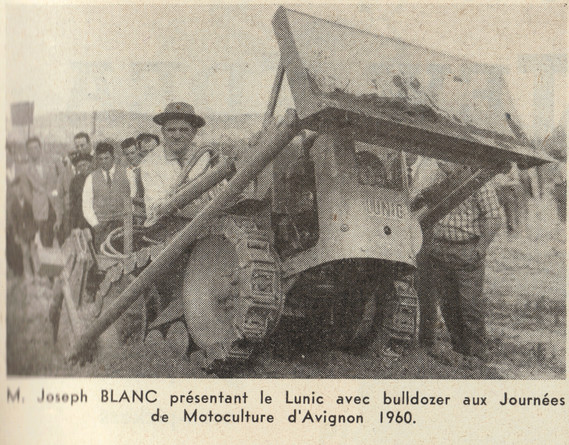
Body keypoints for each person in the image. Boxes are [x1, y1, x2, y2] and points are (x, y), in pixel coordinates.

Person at [413, 161, 502, 362]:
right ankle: (461, 352)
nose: (441, 161)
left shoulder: (477, 179)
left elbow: (493, 217)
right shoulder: (434, 178)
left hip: (466, 250)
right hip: (439, 250)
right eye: (439, 157)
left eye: (447, 157)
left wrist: (480, 249)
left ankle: (477, 356)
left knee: (470, 306)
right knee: (448, 307)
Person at [140, 102, 213, 226]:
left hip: (203, 224)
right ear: (163, 132)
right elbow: (156, 209)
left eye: (184, 130)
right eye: (171, 130)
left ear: (194, 132)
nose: (177, 135)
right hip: (166, 229)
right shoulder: (150, 163)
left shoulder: (204, 156)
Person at [82, 142, 132, 251]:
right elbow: (86, 205)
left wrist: (130, 219)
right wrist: (95, 225)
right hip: (102, 227)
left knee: (125, 256)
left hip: (123, 225)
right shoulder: (91, 178)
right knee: (105, 260)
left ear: (113, 157)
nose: (104, 162)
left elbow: (132, 196)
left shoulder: (127, 172)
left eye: (106, 158)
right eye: (100, 159)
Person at [23, 137, 60, 247]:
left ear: (40, 148)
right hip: (37, 210)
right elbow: (26, 193)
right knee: (42, 242)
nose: (34, 151)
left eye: (36, 147)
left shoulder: (51, 164)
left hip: (54, 206)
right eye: (30, 149)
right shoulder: (26, 170)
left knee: (54, 240)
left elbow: (59, 184)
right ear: (28, 152)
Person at [9, 176, 37, 281]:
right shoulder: (13, 206)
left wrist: (35, 231)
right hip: (21, 233)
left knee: (33, 252)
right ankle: (29, 275)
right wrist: (16, 234)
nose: (19, 191)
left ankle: (37, 274)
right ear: (14, 192)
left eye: (20, 189)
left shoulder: (28, 203)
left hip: (30, 231)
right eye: (16, 190)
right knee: (25, 252)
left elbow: (32, 218)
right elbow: (14, 222)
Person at [121, 137, 145, 222]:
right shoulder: (127, 171)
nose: (130, 157)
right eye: (127, 154)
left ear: (138, 150)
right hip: (132, 212)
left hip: (145, 209)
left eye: (132, 153)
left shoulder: (146, 168)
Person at [69, 153, 94, 230]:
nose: (83, 168)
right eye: (80, 166)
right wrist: (74, 223)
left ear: (89, 164)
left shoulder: (96, 177)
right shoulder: (75, 180)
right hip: (81, 217)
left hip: (96, 216)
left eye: (84, 165)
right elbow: (73, 202)